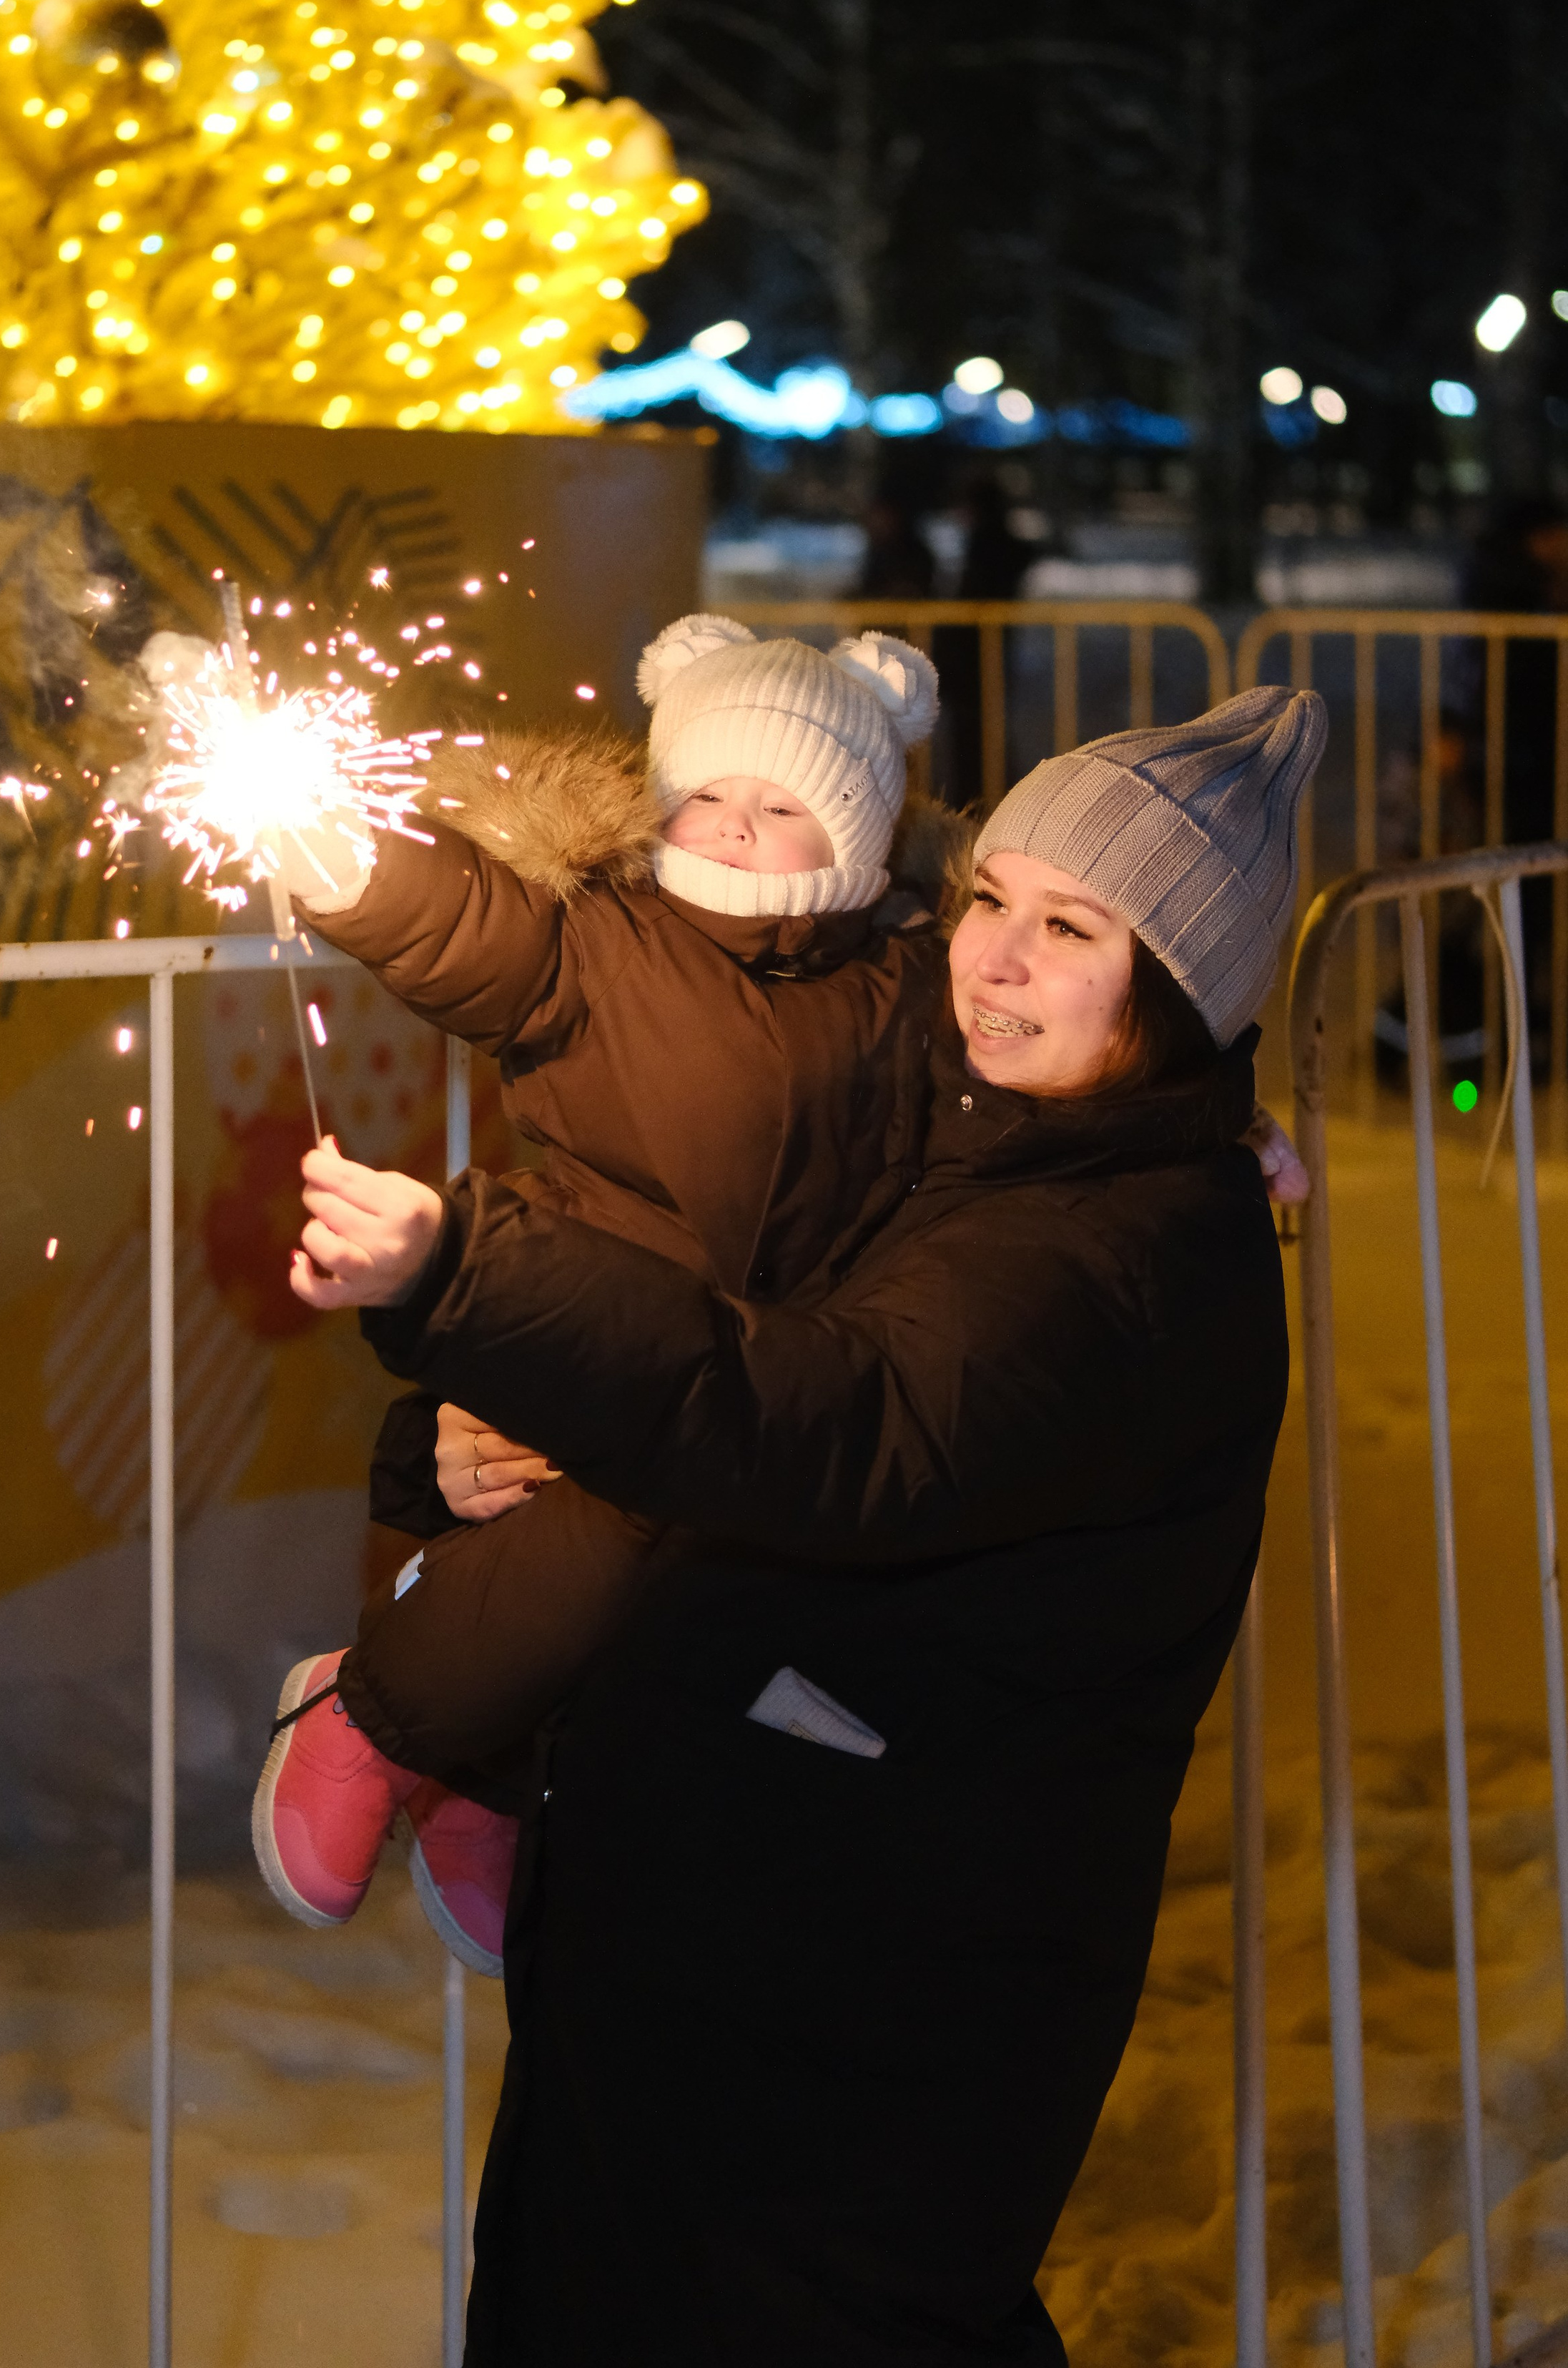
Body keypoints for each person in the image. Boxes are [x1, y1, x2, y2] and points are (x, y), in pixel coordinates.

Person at [290, 683, 1325, 2368]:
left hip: (859, 1990)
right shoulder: (1004, 1142)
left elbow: (818, 1416)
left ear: (1182, 991)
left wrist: (469, 1278)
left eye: (1067, 930)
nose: (984, 958)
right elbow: (741, 1319)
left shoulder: (1097, 1263)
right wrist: (473, 1433)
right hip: (744, 1937)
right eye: (985, 896)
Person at [253, 611, 955, 1968]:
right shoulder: (602, 946)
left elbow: (1022, 1087)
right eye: (706, 795)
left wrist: (1211, 1126)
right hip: (579, 1340)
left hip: (769, 1379)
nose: (734, 829)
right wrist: (335, 850)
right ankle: (372, 1715)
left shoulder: (904, 983)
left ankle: (483, 1788)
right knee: (580, 1538)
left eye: (783, 805)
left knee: (686, 1599)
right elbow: (462, 920)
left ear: (863, 840)